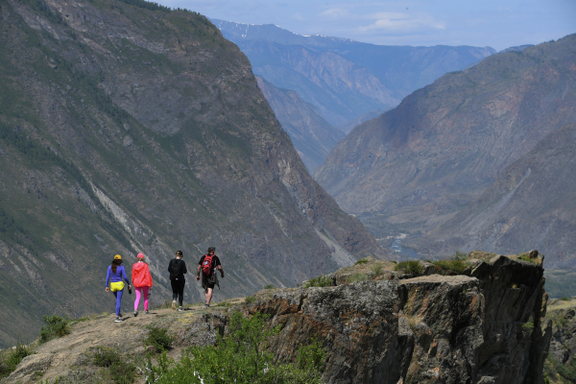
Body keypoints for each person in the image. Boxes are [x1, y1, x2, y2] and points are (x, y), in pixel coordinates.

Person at [105, 254, 132, 323]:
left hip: (113, 285)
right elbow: (125, 277)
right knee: (118, 300)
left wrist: (106, 286)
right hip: (119, 285)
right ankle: (117, 317)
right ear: (120, 261)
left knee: (117, 300)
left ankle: (119, 313)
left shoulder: (109, 267)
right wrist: (129, 284)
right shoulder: (121, 268)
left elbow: (108, 277)